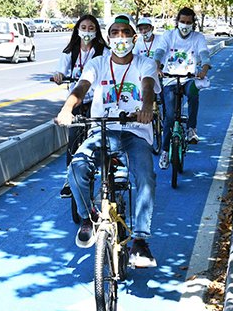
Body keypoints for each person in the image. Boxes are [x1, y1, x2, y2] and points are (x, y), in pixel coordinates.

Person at [56, 14, 160, 268]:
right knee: (77, 166)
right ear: (109, 37)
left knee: (145, 176)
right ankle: (87, 217)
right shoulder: (98, 63)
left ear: (134, 39)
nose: (120, 38)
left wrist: (147, 108)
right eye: (115, 33)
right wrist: (67, 109)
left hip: (135, 131)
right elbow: (80, 88)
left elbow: (147, 87)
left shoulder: (144, 64)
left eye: (126, 33)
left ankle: (140, 241)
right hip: (103, 131)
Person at [52, 15, 110, 198]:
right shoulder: (70, 51)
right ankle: (70, 179)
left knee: (103, 137)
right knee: (73, 140)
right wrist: (59, 76)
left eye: (91, 28)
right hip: (76, 100)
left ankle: (108, 178)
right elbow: (61, 70)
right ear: (78, 29)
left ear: (96, 31)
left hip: (97, 100)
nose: (87, 31)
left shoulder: (104, 51)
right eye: (83, 27)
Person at [154, 7, 211, 170]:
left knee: (194, 93)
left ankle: (191, 129)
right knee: (170, 117)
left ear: (193, 23)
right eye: (182, 22)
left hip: (189, 78)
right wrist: (157, 66)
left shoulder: (198, 37)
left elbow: (204, 54)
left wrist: (204, 69)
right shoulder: (168, 36)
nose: (185, 25)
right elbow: (159, 52)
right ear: (177, 22)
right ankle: (165, 151)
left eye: (188, 22)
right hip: (169, 79)